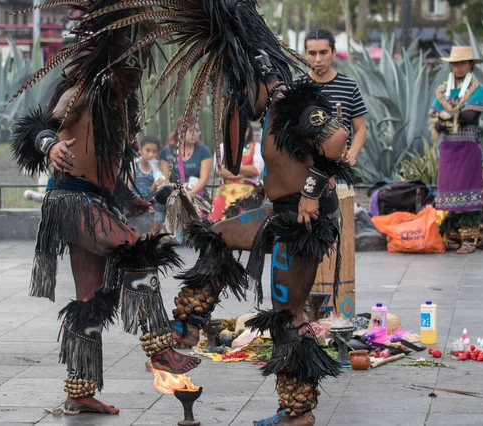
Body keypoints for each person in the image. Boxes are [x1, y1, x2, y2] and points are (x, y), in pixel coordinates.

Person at [112, 2, 356, 424]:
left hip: (304, 225)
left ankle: (297, 413)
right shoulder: (272, 109)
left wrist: (312, 195)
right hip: (279, 214)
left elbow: (336, 138)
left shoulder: (295, 105)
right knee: (216, 235)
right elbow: (250, 160)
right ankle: (188, 324)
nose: (240, 98)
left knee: (287, 317)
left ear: (261, 78)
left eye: (242, 89)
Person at [9, 1, 200, 416]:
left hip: (93, 200)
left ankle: (78, 390)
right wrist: (51, 145)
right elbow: (38, 127)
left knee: (91, 301)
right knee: (137, 254)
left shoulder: (121, 106)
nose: (132, 81)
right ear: (110, 61)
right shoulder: (81, 90)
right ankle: (161, 350)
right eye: (126, 72)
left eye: (137, 74)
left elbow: (106, 166)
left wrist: (125, 193)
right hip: (70, 200)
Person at [429, 46, 483, 254]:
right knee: (449, 189)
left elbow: (469, 118)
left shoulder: (476, 89)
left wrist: (447, 118)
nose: (458, 67)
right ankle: (453, 234)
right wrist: (452, 118)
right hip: (448, 148)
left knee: (468, 189)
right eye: (455, 64)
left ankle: (469, 237)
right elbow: (436, 120)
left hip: (467, 148)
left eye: (463, 63)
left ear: (470, 65)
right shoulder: (443, 89)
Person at [300, 29, 368, 166]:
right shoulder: (297, 87)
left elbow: (360, 129)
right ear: (305, 54)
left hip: (340, 168)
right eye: (312, 53)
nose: (318, 59)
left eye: (323, 52)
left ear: (334, 52)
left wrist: (352, 154)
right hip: (305, 168)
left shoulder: (349, 87)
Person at [210, 125, 265, 220]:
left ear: (247, 130)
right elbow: (219, 171)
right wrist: (246, 172)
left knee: (245, 217)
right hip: (224, 190)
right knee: (216, 219)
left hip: (247, 191)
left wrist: (230, 168)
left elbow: (256, 170)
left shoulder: (256, 147)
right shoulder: (222, 148)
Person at [159, 117, 213, 201]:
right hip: (174, 197)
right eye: (191, 130)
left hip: (197, 196)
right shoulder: (167, 152)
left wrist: (188, 195)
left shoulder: (203, 151)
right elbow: (166, 179)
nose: (195, 134)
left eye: (197, 131)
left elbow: (204, 179)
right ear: (180, 131)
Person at [124, 136, 166, 235]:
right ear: (140, 150)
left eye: (154, 152)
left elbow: (154, 191)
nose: (151, 154)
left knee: (160, 205)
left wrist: (155, 185)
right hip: (136, 199)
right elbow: (127, 186)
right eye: (148, 150)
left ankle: (155, 229)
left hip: (150, 199)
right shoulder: (133, 165)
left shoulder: (156, 166)